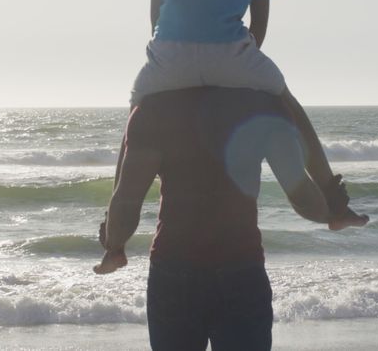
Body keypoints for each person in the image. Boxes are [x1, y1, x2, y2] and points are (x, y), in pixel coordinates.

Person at [131, 0, 365, 226]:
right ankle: (334, 202)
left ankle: (113, 229)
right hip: (231, 52)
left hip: (170, 54)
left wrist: (165, 58)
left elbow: (156, 15)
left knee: (136, 115)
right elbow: (260, 17)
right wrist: (245, 58)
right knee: (290, 107)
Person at [94, 87, 363, 350]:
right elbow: (301, 194)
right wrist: (330, 213)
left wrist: (114, 242)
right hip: (241, 269)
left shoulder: (154, 107)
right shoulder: (261, 102)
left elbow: (127, 201)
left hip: (174, 271)